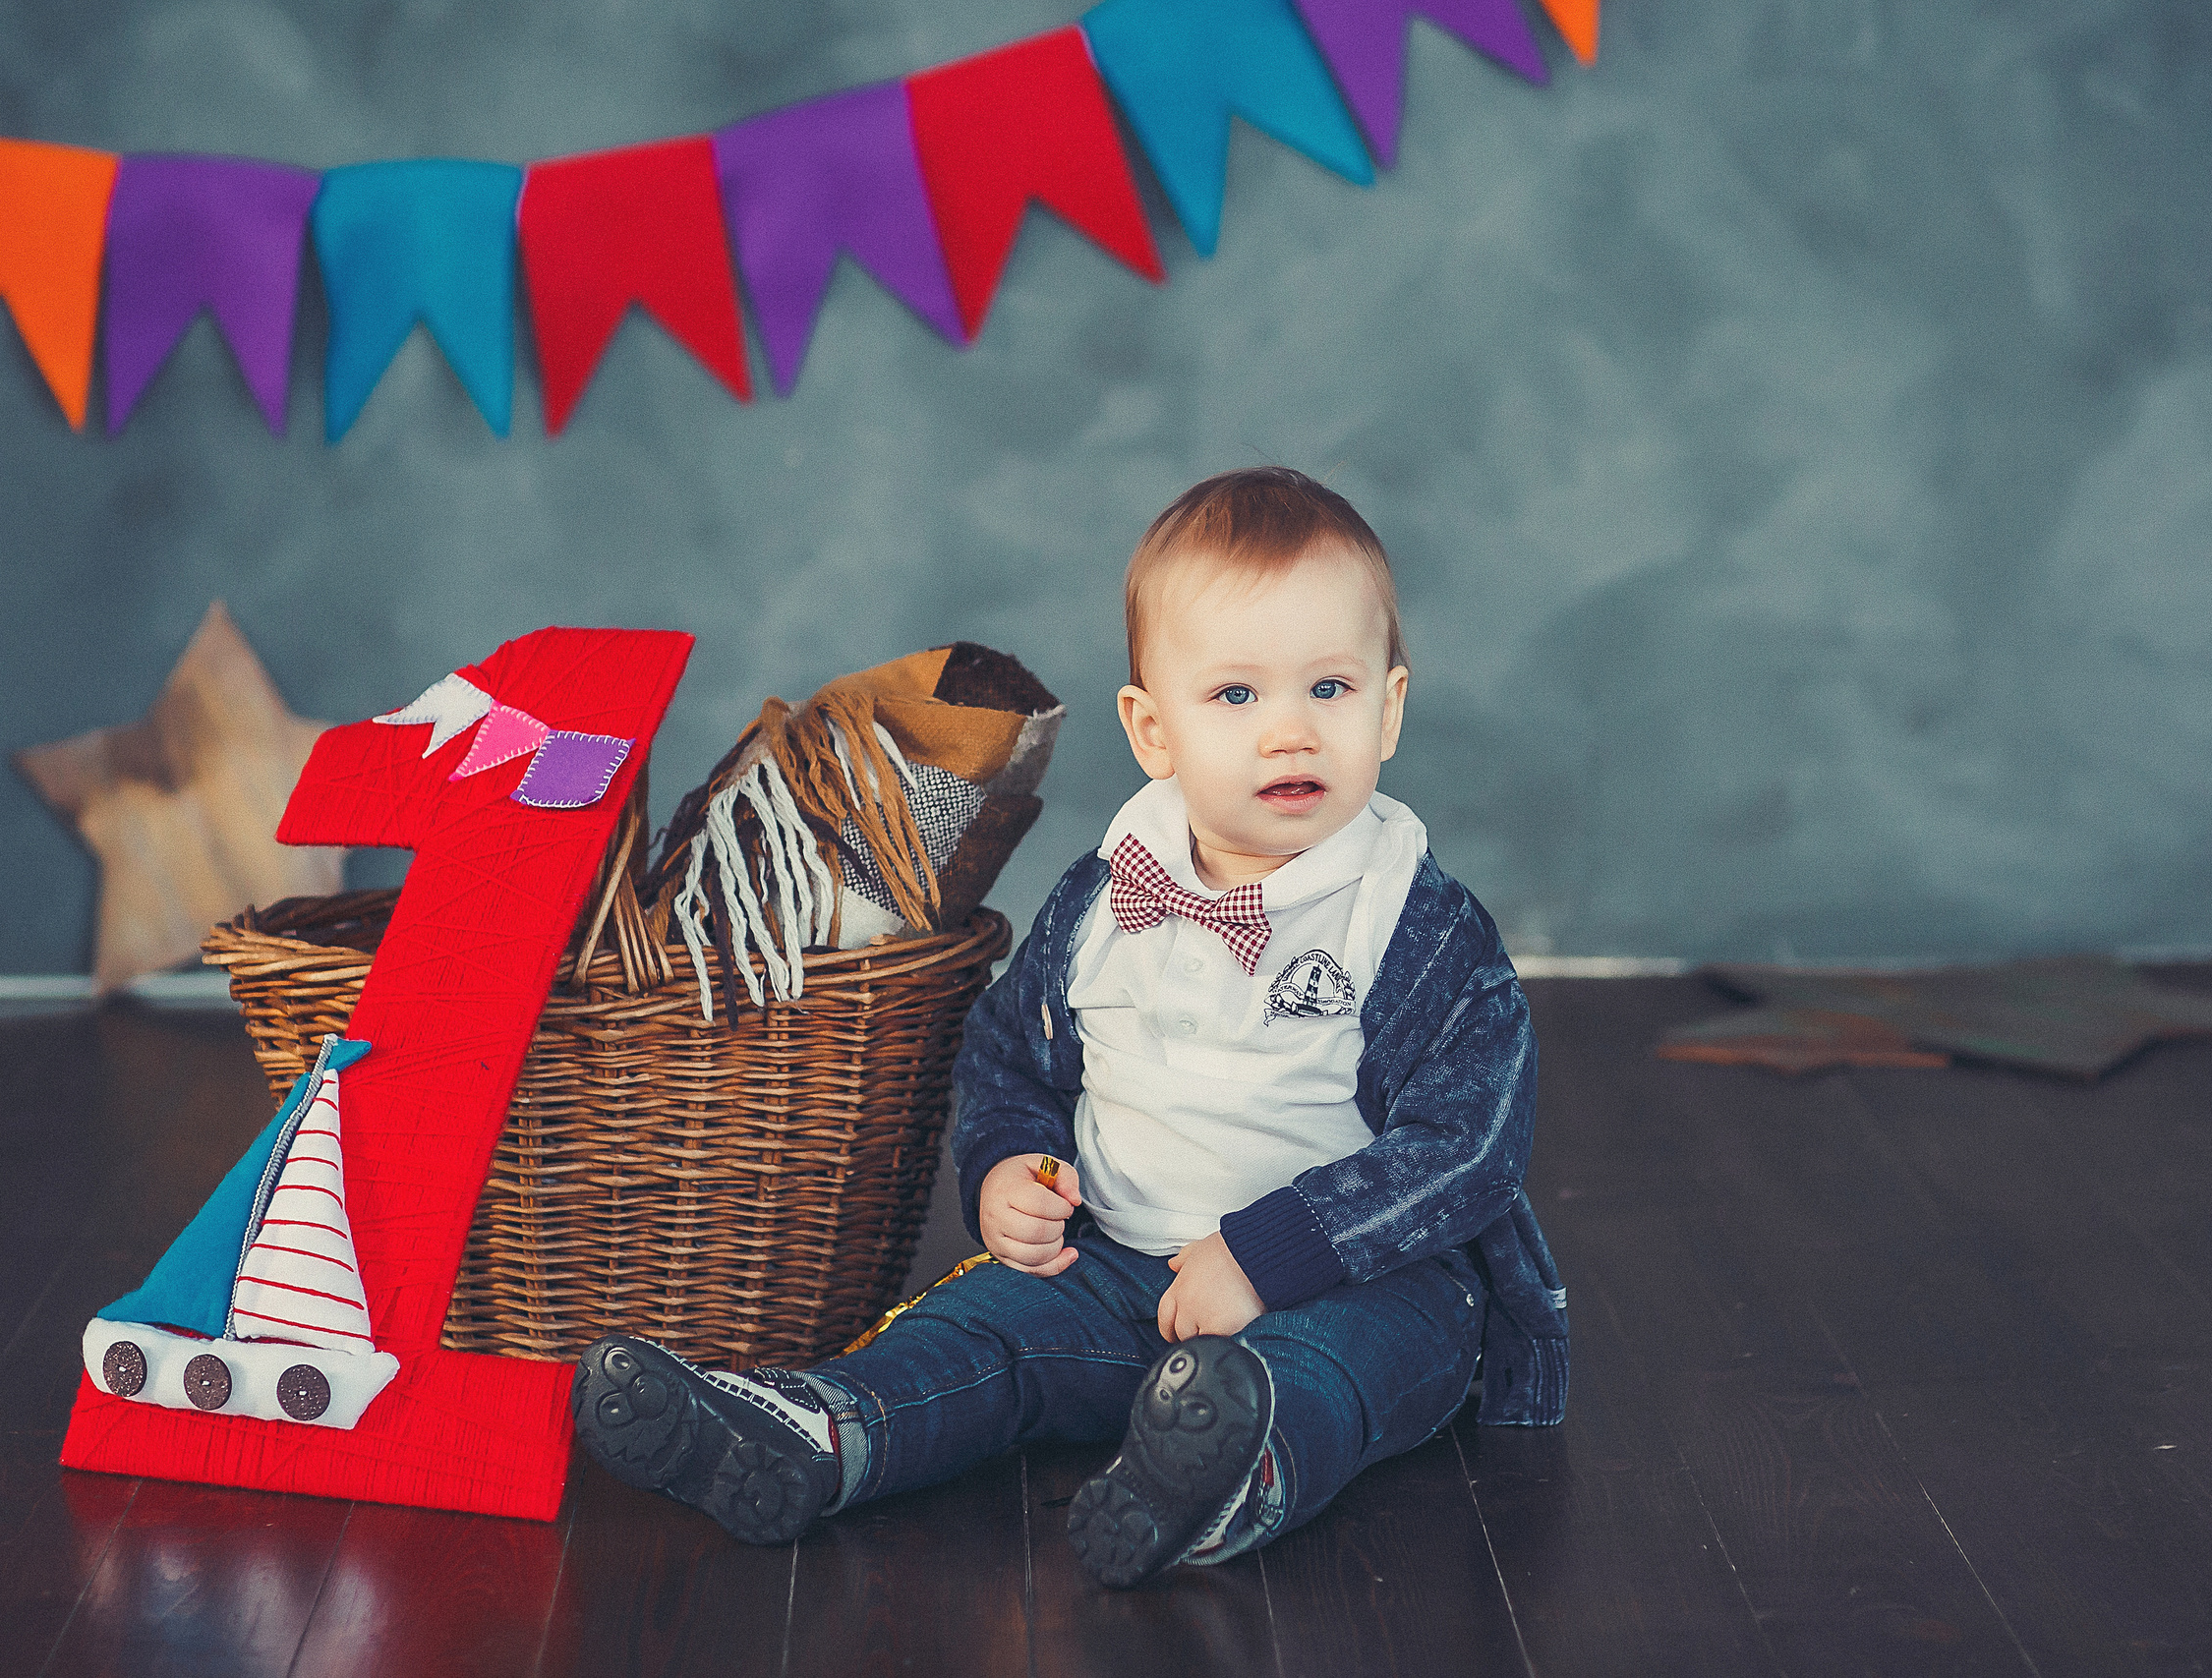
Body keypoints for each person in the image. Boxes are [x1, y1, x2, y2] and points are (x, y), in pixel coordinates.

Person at [571, 466, 1566, 1588]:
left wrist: (1267, 1255)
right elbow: (1012, 1055)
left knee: (1340, 1368)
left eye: (1328, 690)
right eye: (1235, 697)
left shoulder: (1414, 924)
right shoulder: (1105, 896)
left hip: (1354, 1286)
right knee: (982, 1330)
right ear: (1152, 730)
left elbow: (1469, 1145)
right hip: (1118, 1270)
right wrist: (1011, 1164)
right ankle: (823, 1431)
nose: (1289, 732)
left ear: (1389, 707)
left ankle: (1223, 1471)